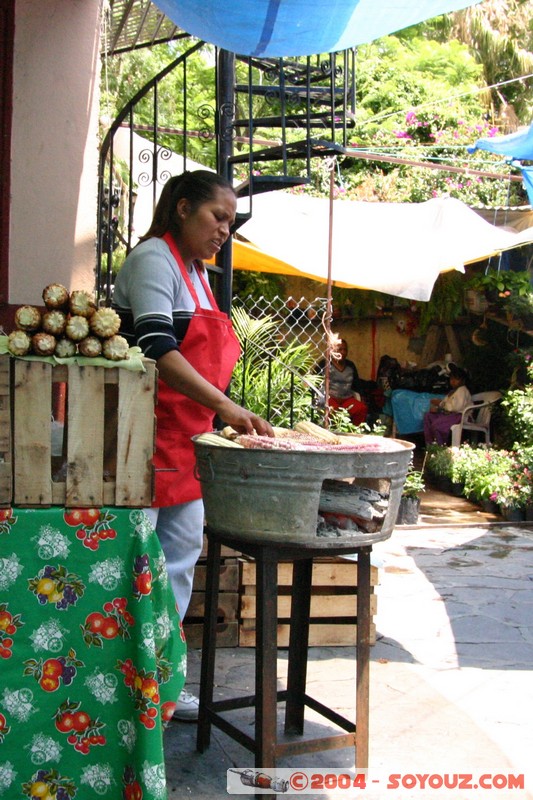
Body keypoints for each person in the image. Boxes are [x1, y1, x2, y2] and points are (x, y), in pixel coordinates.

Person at [112, 170, 273, 720]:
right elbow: (157, 347)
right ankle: (123, 689)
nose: (225, 229)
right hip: (142, 441)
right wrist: (226, 406)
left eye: (230, 220)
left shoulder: (198, 273)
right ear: (182, 208)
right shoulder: (154, 260)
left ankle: (159, 685)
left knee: (177, 565)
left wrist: (221, 414)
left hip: (187, 443)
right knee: (136, 567)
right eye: (217, 217)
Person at [319, 338, 368, 426]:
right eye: (339, 349)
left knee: (361, 409)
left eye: (345, 350)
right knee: (331, 411)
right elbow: (316, 381)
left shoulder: (350, 365)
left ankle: (354, 432)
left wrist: (362, 397)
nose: (343, 352)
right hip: (330, 398)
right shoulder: (324, 364)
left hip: (347, 399)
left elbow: (357, 384)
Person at [423, 363, 472, 446]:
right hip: (450, 415)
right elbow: (445, 405)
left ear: (462, 380)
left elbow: (456, 408)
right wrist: (438, 408)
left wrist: (441, 404)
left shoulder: (462, 390)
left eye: (456, 379)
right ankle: (430, 445)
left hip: (460, 416)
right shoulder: (452, 392)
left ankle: (440, 447)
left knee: (437, 425)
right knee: (428, 416)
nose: (453, 381)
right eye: (451, 379)